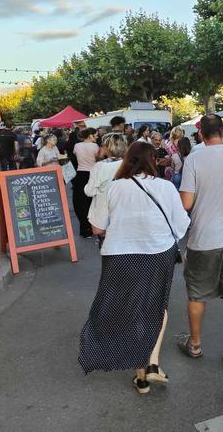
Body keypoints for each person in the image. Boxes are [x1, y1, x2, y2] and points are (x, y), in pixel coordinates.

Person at [79, 141, 189, 394]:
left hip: (120, 256)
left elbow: (97, 228)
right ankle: (150, 364)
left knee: (128, 309)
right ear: (153, 161)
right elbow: (181, 225)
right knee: (156, 306)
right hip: (158, 254)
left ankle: (141, 373)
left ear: (128, 160)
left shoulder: (114, 188)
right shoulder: (166, 187)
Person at [177, 114, 223, 374]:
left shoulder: (194, 159)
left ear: (200, 134)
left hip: (204, 238)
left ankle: (195, 344)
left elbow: (186, 203)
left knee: (197, 293)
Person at [85, 133, 128, 242]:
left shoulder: (100, 166)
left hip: (105, 212)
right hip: (124, 209)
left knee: (107, 246)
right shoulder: (128, 164)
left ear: (108, 148)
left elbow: (89, 191)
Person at [73, 128, 100, 238]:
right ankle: (92, 227)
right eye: (95, 135)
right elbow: (97, 159)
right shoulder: (95, 146)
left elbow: (75, 156)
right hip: (92, 173)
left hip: (80, 174)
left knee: (80, 202)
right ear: (90, 136)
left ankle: (84, 229)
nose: (97, 137)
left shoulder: (77, 146)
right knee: (91, 202)